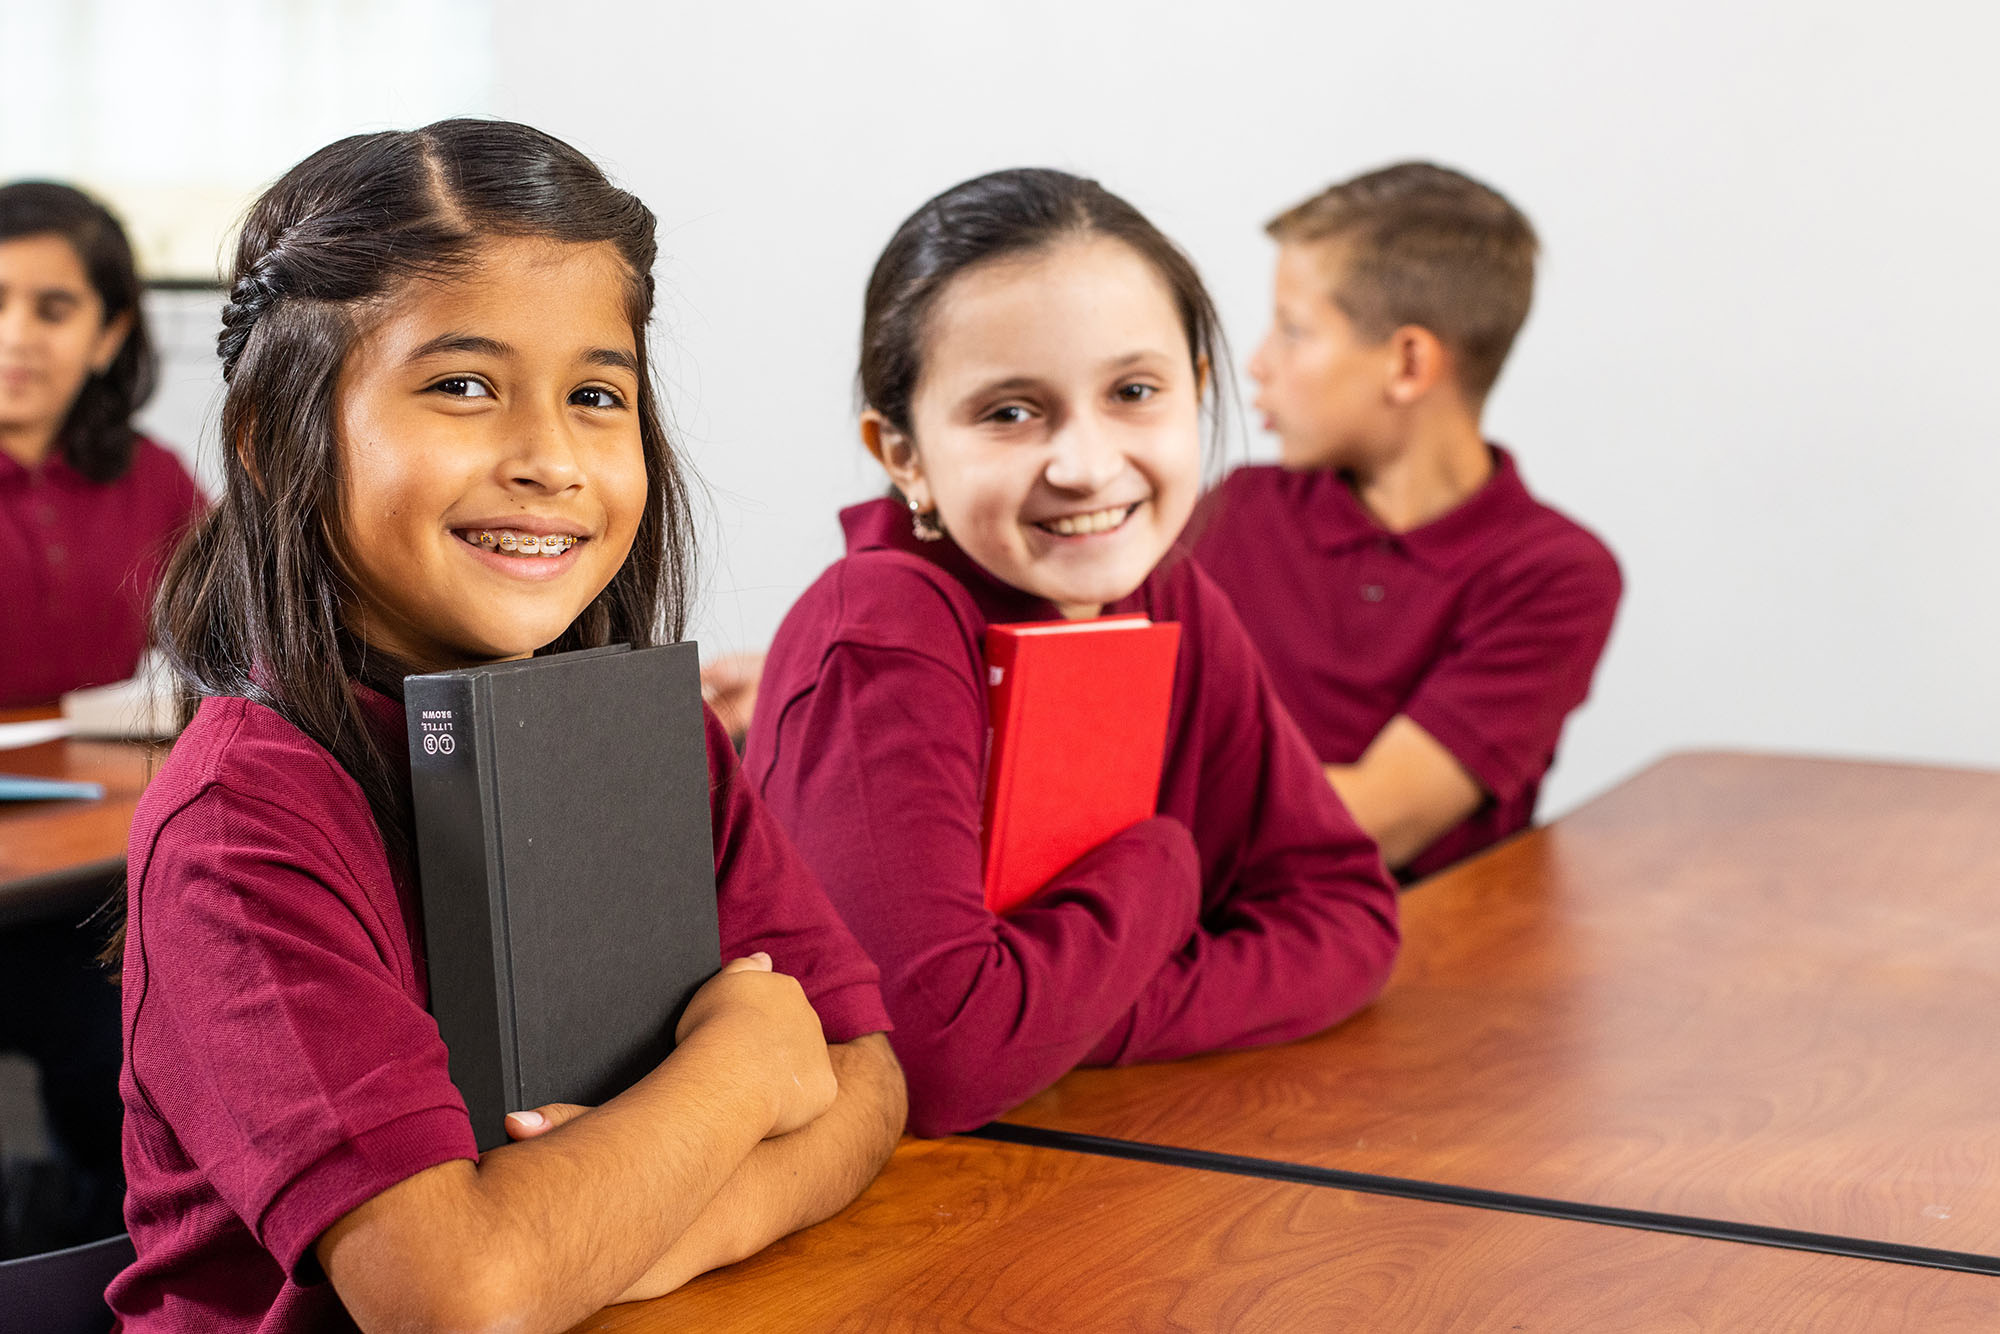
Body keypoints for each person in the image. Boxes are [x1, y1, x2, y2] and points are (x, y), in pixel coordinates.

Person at [107, 120, 905, 1333]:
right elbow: (455, 1294)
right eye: (463, 386)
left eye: (596, 395)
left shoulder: (645, 730)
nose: (548, 457)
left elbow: (865, 1074)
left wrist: (624, 1244)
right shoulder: (240, 818)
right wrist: (740, 1068)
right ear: (276, 439)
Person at [743, 168, 1400, 1138]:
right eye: (1009, 411)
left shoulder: (1167, 591)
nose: (1086, 465)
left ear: (1196, 392)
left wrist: (1048, 1017)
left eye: (1133, 391)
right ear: (902, 454)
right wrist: (1162, 866)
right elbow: (940, 1056)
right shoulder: (881, 625)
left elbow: (1347, 917)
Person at [1190, 163, 1622, 879]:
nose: (1258, 363)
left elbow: (1376, 822)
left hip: (1422, 962)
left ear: (1408, 364)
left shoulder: (1555, 574)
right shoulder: (1235, 510)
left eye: (1294, 331)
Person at [0, 181, 203, 709]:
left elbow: (233, 640)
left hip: (118, 783)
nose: (16, 335)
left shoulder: (154, 477)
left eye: (53, 310)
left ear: (108, 336)